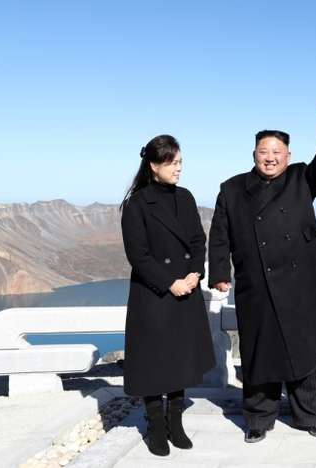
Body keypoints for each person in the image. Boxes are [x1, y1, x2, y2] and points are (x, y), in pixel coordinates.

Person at [207, 107, 316, 443]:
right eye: (263, 152)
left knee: (306, 353)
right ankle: (258, 420)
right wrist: (219, 272)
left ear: (288, 155)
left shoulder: (302, 177)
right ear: (254, 154)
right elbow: (219, 233)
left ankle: (312, 417)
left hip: (302, 286)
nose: (270, 158)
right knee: (259, 353)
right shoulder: (232, 189)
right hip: (256, 283)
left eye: (277, 153)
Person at [120, 135, 216, 456]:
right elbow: (139, 255)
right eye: (172, 163)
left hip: (186, 289)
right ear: (153, 165)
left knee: (179, 359)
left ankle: (175, 421)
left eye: (180, 162)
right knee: (153, 363)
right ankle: (156, 424)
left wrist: (193, 273)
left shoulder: (185, 198)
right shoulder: (136, 204)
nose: (179, 169)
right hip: (154, 293)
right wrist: (169, 282)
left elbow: (197, 240)